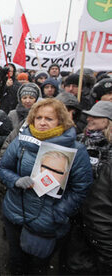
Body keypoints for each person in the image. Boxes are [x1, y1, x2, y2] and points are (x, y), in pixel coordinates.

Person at [0, 98, 93, 275]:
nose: (42, 122)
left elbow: (81, 188)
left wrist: (59, 211)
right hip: (15, 215)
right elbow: (3, 168)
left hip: (47, 223)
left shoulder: (76, 150)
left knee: (38, 267)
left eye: (49, 119)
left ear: (61, 121)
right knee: (16, 263)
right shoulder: (21, 141)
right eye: (38, 117)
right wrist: (16, 180)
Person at [77, 101, 112, 274]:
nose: (89, 118)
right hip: (78, 212)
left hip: (102, 215)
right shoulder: (80, 140)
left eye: (96, 116)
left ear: (108, 121)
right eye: (89, 115)